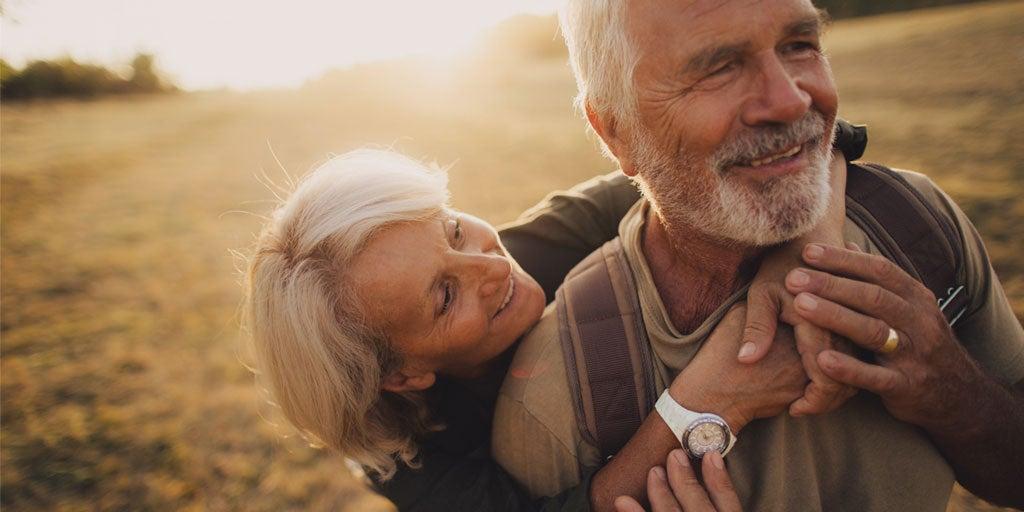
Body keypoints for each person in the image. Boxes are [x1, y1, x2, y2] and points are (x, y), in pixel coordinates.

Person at [491, 0, 1024, 510]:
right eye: (718, 68)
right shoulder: (559, 394)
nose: (792, 100)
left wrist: (955, 391)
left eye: (799, 44)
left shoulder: (918, 224)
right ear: (615, 130)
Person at [243, 121, 866, 511]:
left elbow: (798, 141)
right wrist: (704, 404)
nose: (490, 267)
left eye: (454, 229)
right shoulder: (406, 458)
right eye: (443, 297)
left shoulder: (541, 242)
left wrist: (800, 263)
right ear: (401, 375)